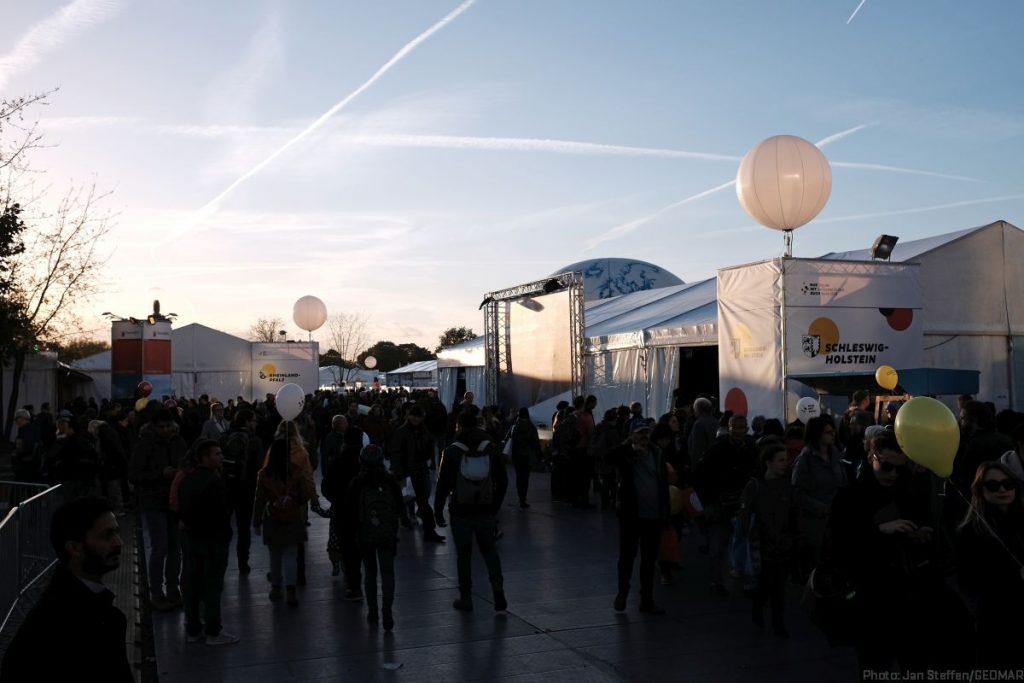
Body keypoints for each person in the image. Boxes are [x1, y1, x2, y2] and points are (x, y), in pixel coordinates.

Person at [829, 432, 948, 673]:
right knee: (875, 665)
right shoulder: (850, 496)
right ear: (872, 457)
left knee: (915, 663)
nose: (892, 474)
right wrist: (879, 530)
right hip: (872, 597)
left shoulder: (909, 490)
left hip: (912, 594)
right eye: (886, 466)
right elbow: (839, 545)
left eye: (899, 468)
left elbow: (924, 519)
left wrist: (921, 531)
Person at [0, 497, 132, 683]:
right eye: (106, 535)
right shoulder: (65, 624)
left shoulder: (68, 607)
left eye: (117, 533)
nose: (119, 543)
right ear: (74, 548)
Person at [434, 411, 509, 612]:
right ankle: (498, 591)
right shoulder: (490, 448)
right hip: (485, 509)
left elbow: (442, 484)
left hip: (461, 510)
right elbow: (503, 480)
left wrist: (438, 510)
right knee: (489, 551)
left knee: (464, 554)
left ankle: (466, 597)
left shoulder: (452, 451)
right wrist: (494, 506)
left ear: (459, 425)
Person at [956, 462, 1024, 669]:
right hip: (999, 625)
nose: (1002, 490)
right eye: (993, 485)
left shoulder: (1021, 521)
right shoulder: (970, 532)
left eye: (1007, 483)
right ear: (980, 490)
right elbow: (969, 582)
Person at [178, 439, 238, 645]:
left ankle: (193, 628)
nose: (221, 457)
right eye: (217, 454)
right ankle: (213, 630)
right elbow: (222, 511)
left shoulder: (188, 480)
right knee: (212, 585)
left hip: (193, 538)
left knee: (192, 584)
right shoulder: (214, 482)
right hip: (214, 540)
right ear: (204, 457)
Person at [694, 413, 758, 596]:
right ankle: (717, 581)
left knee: (744, 542)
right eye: (735, 427)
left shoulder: (751, 447)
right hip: (721, 504)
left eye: (742, 427)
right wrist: (708, 503)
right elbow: (699, 476)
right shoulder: (718, 449)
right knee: (718, 545)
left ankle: (746, 579)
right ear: (729, 428)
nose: (738, 431)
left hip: (743, 503)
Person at [610, 421, 671, 614]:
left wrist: (665, 512)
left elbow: (663, 484)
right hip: (631, 515)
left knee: (649, 559)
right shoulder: (626, 453)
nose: (644, 436)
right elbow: (609, 457)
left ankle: (647, 599)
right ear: (632, 435)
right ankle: (623, 592)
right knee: (627, 557)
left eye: (646, 432)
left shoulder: (656, 453)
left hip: (653, 515)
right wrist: (629, 448)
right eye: (640, 433)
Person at [130, 409, 187, 611]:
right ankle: (156, 592)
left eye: (167, 426)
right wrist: (161, 475)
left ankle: (172, 589)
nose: (164, 430)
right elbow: (135, 475)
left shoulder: (178, 442)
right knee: (160, 548)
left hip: (173, 502)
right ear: (154, 426)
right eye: (160, 427)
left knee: (174, 549)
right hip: (154, 501)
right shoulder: (145, 444)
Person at [346, 445, 407, 631]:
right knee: (388, 573)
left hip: (365, 533)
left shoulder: (357, 483)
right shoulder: (390, 481)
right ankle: (387, 610)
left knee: (370, 572)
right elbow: (399, 507)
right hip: (386, 534)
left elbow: (351, 510)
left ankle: (373, 611)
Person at [740, 441, 797, 638]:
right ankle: (758, 604)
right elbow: (745, 518)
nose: (785, 464)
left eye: (786, 460)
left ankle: (778, 623)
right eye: (780, 460)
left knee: (779, 587)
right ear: (768, 462)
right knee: (765, 583)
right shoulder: (755, 486)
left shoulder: (787, 487)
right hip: (761, 547)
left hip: (782, 545)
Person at [253, 438, 315, 606]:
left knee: (275, 556)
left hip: (273, 518)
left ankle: (275, 587)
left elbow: (259, 499)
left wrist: (256, 520)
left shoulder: (264, 474)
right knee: (291, 556)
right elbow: (304, 495)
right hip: (292, 517)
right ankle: (291, 591)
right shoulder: (295, 471)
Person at [790, 415, 847, 579]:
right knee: (816, 566)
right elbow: (797, 492)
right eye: (828, 432)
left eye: (833, 431)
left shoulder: (836, 454)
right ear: (817, 435)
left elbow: (842, 481)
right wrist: (820, 507)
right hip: (814, 522)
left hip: (836, 518)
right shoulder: (804, 461)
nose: (833, 435)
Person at [389, 405, 445, 542]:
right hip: (408, 472)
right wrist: (400, 474)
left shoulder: (422, 430)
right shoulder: (402, 432)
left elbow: (428, 446)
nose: (415, 419)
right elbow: (395, 453)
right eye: (414, 416)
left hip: (419, 470)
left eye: (418, 416)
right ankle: (393, 531)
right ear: (408, 416)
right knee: (402, 502)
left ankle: (429, 531)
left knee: (422, 502)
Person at [219, 409, 264, 574]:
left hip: (226, 487)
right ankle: (243, 563)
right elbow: (259, 465)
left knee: (223, 527)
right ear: (246, 422)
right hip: (246, 489)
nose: (256, 423)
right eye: (253, 420)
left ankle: (221, 563)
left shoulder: (224, 437)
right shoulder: (255, 441)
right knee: (244, 528)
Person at [507, 407, 542, 508]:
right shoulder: (531, 427)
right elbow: (535, 442)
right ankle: (523, 498)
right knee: (525, 477)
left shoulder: (515, 426)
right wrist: (539, 455)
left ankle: (520, 497)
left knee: (519, 476)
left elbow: (512, 440)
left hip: (517, 455)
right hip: (527, 455)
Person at [687, 397, 718, 470]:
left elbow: (697, 449)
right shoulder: (716, 422)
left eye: (694, 409)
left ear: (698, 410)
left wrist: (695, 468)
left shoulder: (699, 424)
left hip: (703, 467)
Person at [11, 408, 40, 483]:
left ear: (23, 418)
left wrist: (17, 454)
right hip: (28, 465)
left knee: (19, 488)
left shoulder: (27, 430)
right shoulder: (28, 429)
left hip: (26, 465)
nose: (16, 421)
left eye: (17, 418)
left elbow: (29, 447)